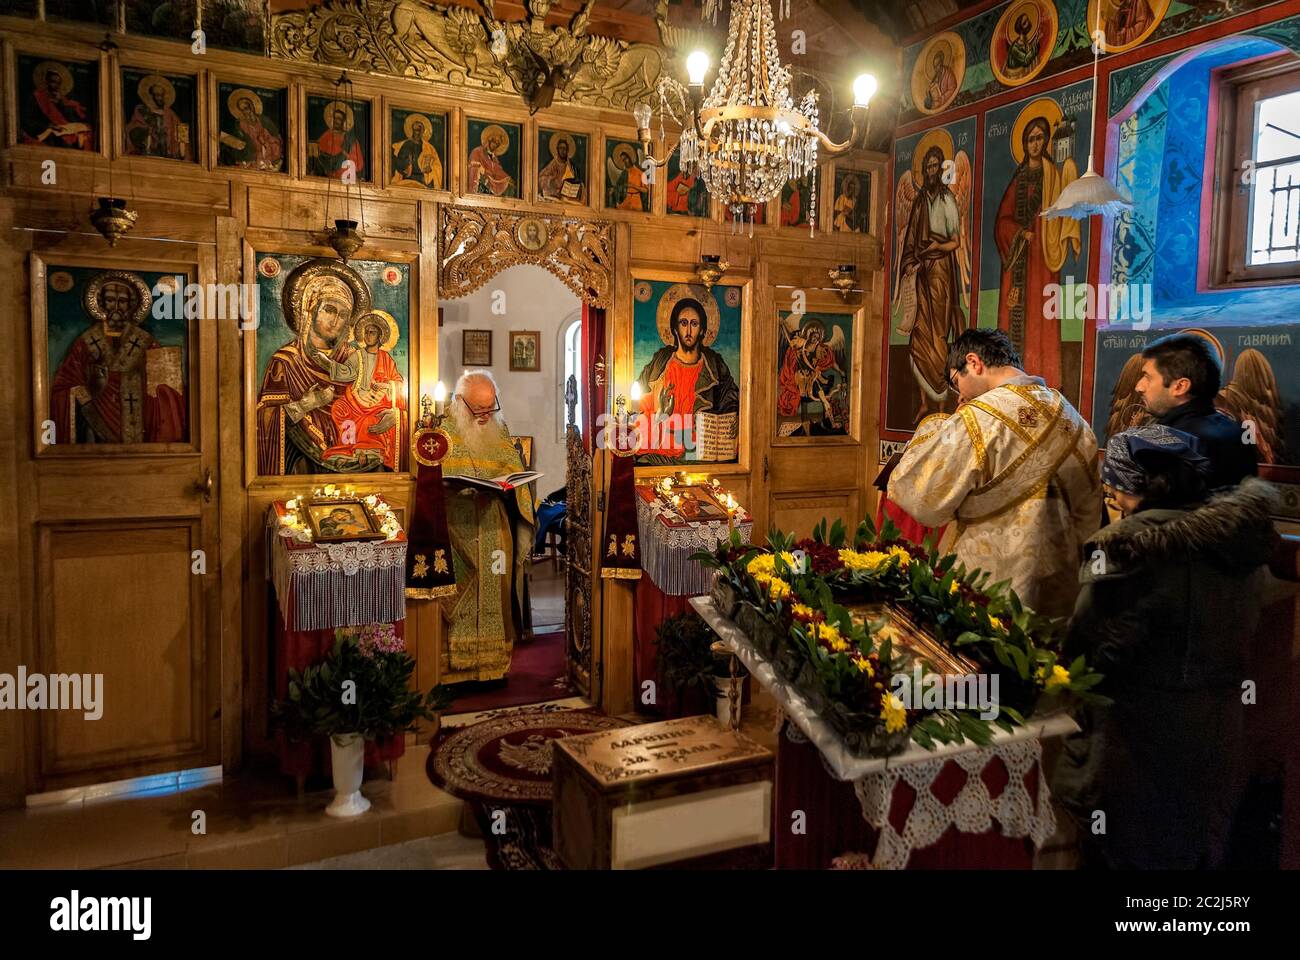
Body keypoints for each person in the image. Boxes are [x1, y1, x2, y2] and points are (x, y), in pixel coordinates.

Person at [1051, 425, 1279, 869]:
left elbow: (1084, 649)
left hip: (1133, 741)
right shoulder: (1241, 539)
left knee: (1118, 853)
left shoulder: (1124, 548)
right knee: (1192, 849)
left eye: (1112, 486)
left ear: (1125, 485)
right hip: (1215, 730)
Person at [886, 328, 1101, 617]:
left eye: (955, 382)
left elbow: (922, 499)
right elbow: (1088, 510)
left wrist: (935, 425)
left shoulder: (979, 418)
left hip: (989, 586)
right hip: (1056, 589)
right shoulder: (1072, 417)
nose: (959, 394)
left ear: (973, 363)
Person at [440, 370, 536, 681]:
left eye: (490, 408)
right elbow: (429, 479)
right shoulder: (440, 432)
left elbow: (513, 468)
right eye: (477, 410)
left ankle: (492, 668)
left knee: (495, 591)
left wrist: (512, 485)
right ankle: (455, 670)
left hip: (494, 528)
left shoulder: (500, 428)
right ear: (459, 402)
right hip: (456, 529)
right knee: (458, 596)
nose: (485, 416)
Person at [993, 113, 1079, 389]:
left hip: (1041, 262)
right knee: (1014, 319)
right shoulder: (1018, 178)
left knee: (1040, 320)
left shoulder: (1052, 174)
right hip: (1019, 259)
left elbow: (1060, 209)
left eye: (1040, 138)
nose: (1034, 143)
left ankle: (1044, 382)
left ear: (1046, 142)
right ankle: (1008, 384)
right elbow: (1001, 221)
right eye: (1030, 139)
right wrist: (1020, 233)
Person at [50, 272, 186, 445]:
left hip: (140, 421)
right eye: (109, 300)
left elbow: (167, 390)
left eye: (121, 301)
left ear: (131, 305)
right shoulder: (86, 342)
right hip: (96, 419)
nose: (115, 307)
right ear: (101, 303)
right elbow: (64, 385)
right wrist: (91, 388)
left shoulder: (146, 341)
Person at [256, 265, 366, 474]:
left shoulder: (353, 360)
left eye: (343, 315)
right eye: (329, 310)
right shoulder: (286, 361)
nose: (335, 321)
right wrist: (306, 405)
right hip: (303, 461)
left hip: (352, 457)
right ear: (311, 309)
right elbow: (264, 420)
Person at [896, 144, 965, 422]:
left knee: (938, 335)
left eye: (936, 166)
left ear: (941, 169)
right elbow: (911, 237)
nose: (932, 171)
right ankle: (925, 402)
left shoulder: (948, 200)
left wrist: (937, 245)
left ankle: (941, 406)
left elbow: (956, 241)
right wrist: (912, 261)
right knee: (918, 336)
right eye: (928, 167)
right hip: (922, 270)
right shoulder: (920, 200)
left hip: (940, 271)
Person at [1136, 333, 1258, 489]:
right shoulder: (1237, 433)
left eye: (1148, 377)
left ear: (1180, 386)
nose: (1138, 386)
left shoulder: (1168, 443)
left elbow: (1159, 511)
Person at [635, 295, 740, 464]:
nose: (689, 331)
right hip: (663, 448)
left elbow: (730, 399)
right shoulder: (661, 361)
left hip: (698, 452)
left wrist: (734, 419)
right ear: (675, 329)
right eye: (683, 323)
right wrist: (660, 413)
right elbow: (638, 403)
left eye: (694, 324)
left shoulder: (714, 364)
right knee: (644, 460)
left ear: (703, 330)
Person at [323, 311, 405, 470]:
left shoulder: (386, 359)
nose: (368, 336)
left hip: (377, 402)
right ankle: (348, 448)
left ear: (380, 336)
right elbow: (347, 372)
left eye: (372, 332)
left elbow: (398, 382)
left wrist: (386, 386)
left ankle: (369, 451)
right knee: (339, 408)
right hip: (356, 399)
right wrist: (328, 364)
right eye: (366, 332)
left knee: (372, 419)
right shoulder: (357, 355)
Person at [22, 61, 92, 150]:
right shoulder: (36, 96)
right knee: (59, 140)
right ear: (46, 81)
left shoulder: (61, 98)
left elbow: (69, 118)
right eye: (53, 82)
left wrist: (61, 104)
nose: (56, 86)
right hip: (45, 129)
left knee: (85, 133)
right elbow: (28, 120)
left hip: (63, 128)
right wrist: (47, 125)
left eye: (58, 83)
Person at [124, 75, 187, 160]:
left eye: (161, 95)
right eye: (157, 95)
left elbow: (181, 133)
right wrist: (146, 133)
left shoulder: (170, 114)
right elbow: (133, 127)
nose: (160, 98)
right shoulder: (142, 110)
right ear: (151, 96)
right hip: (148, 150)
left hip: (167, 152)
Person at [310, 103, 364, 179]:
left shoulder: (351, 140)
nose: (337, 121)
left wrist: (347, 156)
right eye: (335, 118)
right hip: (326, 177)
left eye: (339, 119)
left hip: (345, 178)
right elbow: (317, 154)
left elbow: (359, 163)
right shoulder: (326, 136)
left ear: (343, 121)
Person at [391, 114, 443, 188]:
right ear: (412, 130)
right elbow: (399, 163)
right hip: (408, 180)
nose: (417, 133)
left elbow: (437, 166)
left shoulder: (429, 148)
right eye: (416, 130)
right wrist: (406, 164)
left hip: (423, 181)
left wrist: (431, 170)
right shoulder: (406, 145)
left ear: (423, 131)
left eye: (420, 130)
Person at [468, 126, 515, 196]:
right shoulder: (477, 151)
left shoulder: (494, 159)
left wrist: (507, 179)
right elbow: (474, 168)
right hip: (481, 183)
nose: (495, 145)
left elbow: (498, 171)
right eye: (494, 141)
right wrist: (483, 171)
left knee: (510, 187)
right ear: (489, 140)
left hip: (491, 184)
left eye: (498, 144)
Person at [538, 133, 584, 202]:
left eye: (565, 148)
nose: (563, 151)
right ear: (557, 149)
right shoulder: (553, 163)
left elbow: (575, 179)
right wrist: (552, 180)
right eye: (561, 148)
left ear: (567, 150)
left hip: (568, 194)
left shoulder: (571, 165)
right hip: (554, 193)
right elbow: (542, 177)